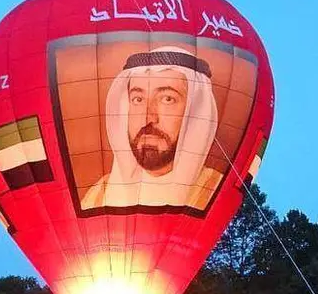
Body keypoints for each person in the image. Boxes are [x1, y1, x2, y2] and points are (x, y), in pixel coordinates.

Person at [81, 46, 221, 210]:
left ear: (195, 112)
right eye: (138, 99)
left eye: (167, 99)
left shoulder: (216, 191)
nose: (148, 118)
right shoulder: (98, 195)